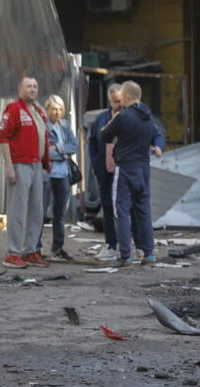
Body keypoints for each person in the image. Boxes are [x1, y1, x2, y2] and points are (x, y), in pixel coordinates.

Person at [100, 80, 162, 267]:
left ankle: (126, 255)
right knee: (144, 210)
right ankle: (149, 253)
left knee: (122, 211)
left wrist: (111, 124)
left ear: (126, 96)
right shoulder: (148, 116)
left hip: (125, 168)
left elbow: (104, 135)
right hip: (144, 168)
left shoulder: (123, 116)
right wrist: (158, 146)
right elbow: (156, 134)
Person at [0, 76, 51, 269]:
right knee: (18, 211)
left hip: (37, 164)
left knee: (37, 211)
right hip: (20, 164)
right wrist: (9, 167)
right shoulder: (13, 109)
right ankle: (13, 253)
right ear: (20, 88)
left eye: (35, 86)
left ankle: (30, 251)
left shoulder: (38, 111)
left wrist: (46, 163)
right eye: (29, 86)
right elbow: (3, 138)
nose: (32, 89)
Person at [40, 94, 78, 261]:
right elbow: (43, 152)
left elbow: (74, 146)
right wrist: (61, 152)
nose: (57, 112)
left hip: (63, 174)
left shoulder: (65, 125)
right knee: (40, 213)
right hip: (47, 174)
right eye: (54, 109)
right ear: (47, 110)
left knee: (60, 214)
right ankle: (35, 249)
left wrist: (58, 148)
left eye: (60, 109)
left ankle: (58, 248)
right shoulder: (43, 126)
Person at [88, 83, 123, 262]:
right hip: (105, 170)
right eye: (115, 102)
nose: (117, 105)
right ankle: (111, 245)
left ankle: (128, 246)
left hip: (124, 171)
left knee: (125, 209)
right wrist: (96, 164)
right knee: (108, 209)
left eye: (120, 101)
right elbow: (93, 143)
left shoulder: (128, 117)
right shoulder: (102, 119)